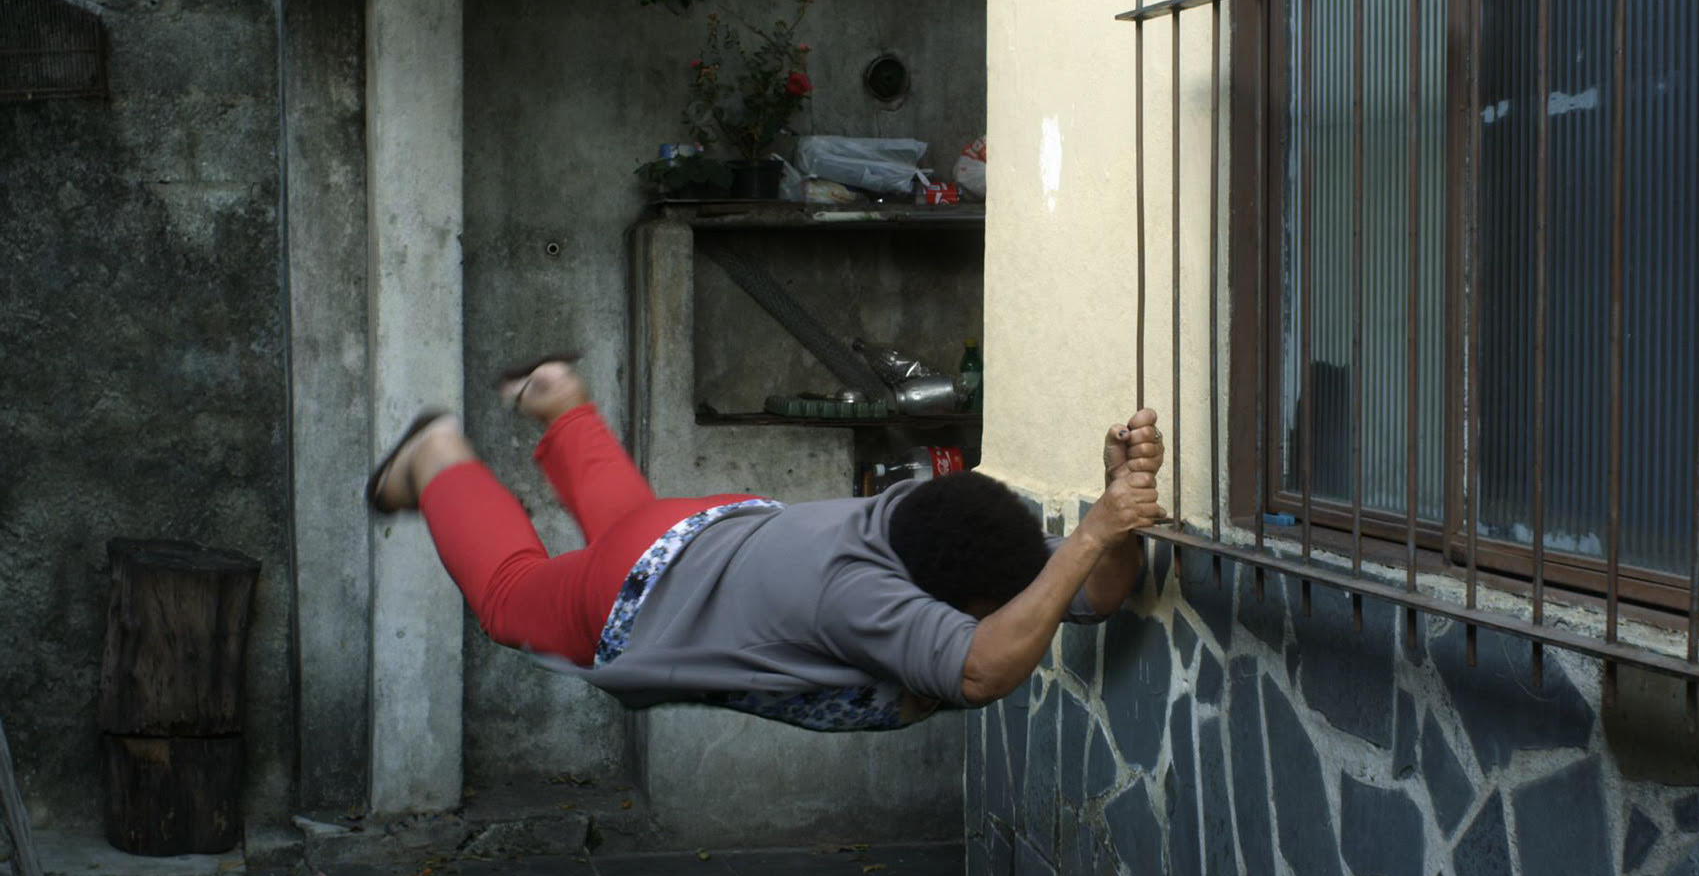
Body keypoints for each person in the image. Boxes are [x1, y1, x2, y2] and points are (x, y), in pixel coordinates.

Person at [364, 356, 1165, 731]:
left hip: (696, 529)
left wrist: (1111, 514)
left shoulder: (920, 518)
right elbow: (984, 667)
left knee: (625, 524)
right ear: (947, 600)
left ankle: (563, 401)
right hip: (633, 596)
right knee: (509, 592)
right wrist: (1096, 525)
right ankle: (438, 456)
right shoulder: (863, 596)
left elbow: (1087, 592)